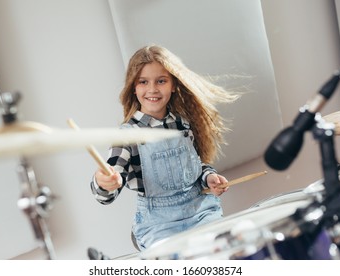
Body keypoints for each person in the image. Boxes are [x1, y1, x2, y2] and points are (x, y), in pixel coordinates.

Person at [90, 44, 240, 251]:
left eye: (161, 81)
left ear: (174, 85)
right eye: (143, 82)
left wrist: (209, 177)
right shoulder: (126, 136)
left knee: (224, 252)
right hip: (158, 226)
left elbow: (195, 167)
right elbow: (106, 193)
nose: (152, 89)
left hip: (201, 213)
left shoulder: (182, 123)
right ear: (133, 87)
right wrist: (104, 183)